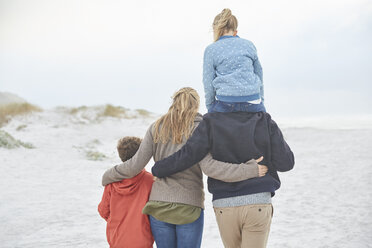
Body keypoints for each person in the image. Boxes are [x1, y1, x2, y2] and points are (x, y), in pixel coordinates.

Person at [101, 87, 268, 248]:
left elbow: (134, 166)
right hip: (189, 206)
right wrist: (249, 169)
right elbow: (211, 168)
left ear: (173, 102)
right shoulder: (200, 128)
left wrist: (109, 175)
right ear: (196, 105)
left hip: (159, 207)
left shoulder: (157, 127)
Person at [152, 110, 295, 248]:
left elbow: (188, 154)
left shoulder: (210, 121)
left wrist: (158, 169)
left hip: (225, 205)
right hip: (257, 201)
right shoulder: (264, 120)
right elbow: (286, 163)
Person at [203, 8, 265, 113]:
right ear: (235, 32)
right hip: (252, 100)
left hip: (225, 102)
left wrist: (210, 107)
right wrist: (261, 101)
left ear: (215, 30)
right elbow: (259, 73)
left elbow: (208, 83)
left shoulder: (211, 49)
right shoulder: (249, 45)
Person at [98, 136, 154, 248]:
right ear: (141, 156)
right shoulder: (150, 180)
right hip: (142, 239)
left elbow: (103, 210)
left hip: (117, 239)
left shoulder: (112, 182)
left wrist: (118, 221)